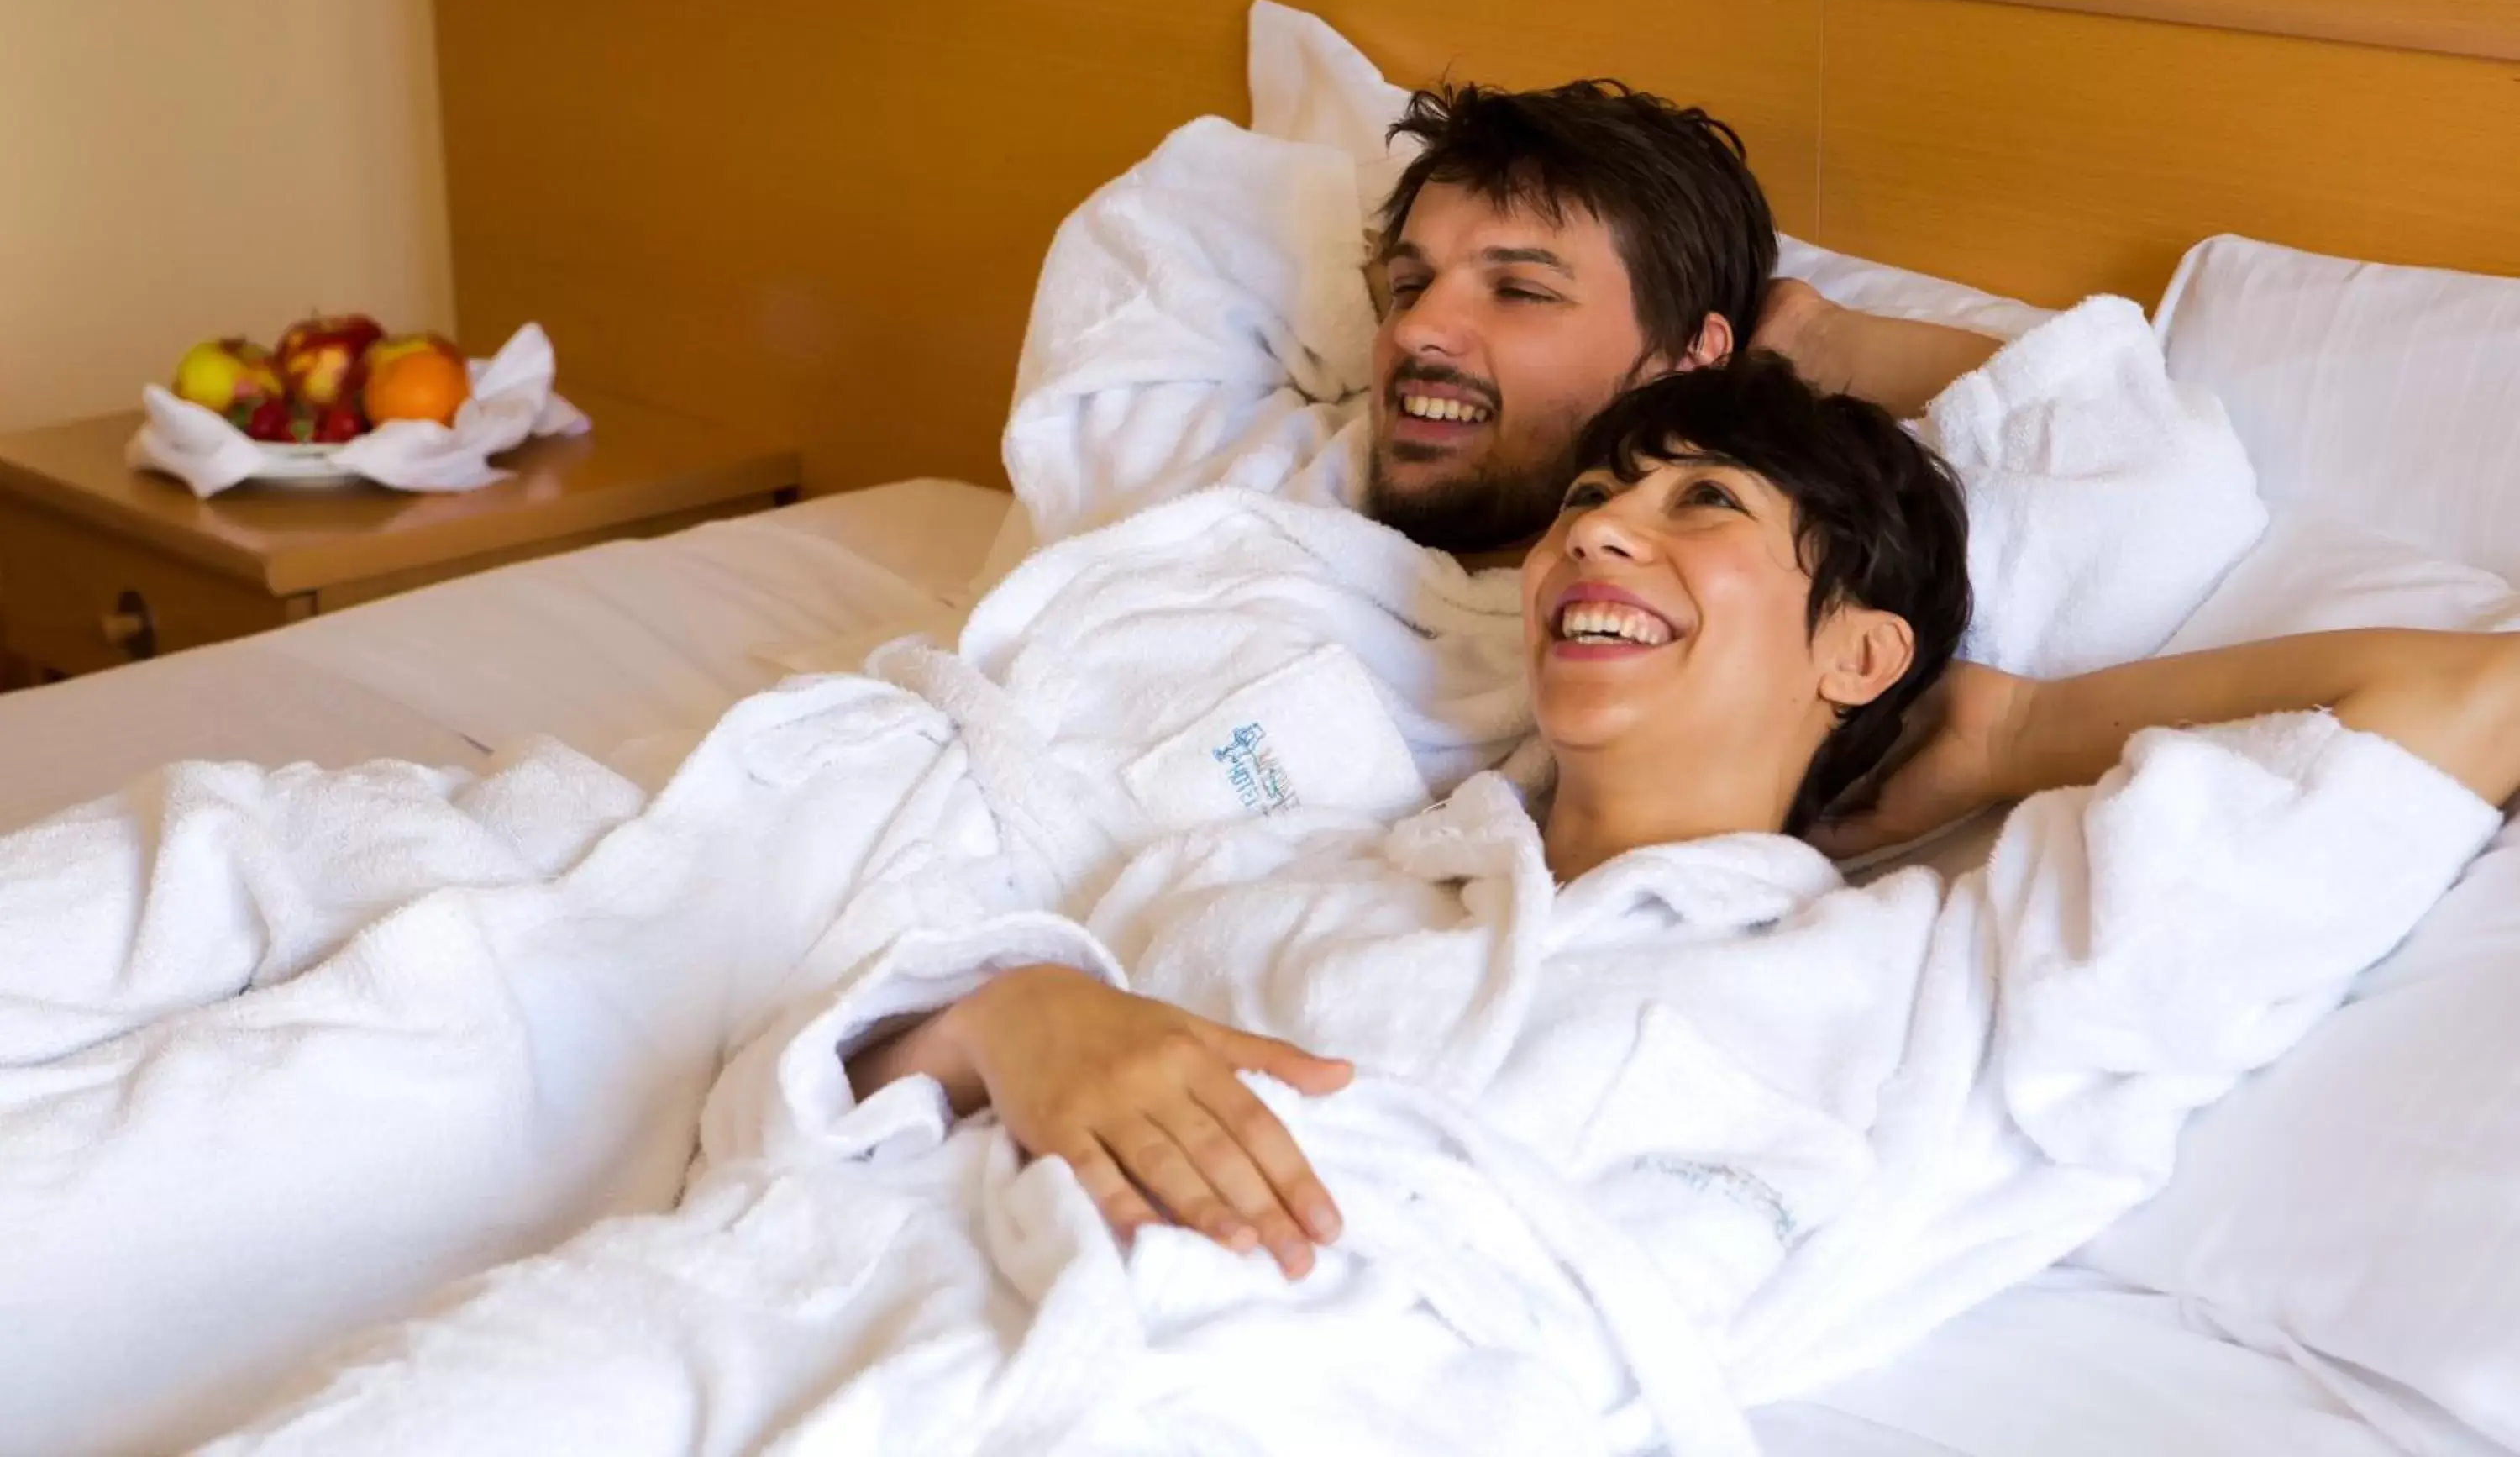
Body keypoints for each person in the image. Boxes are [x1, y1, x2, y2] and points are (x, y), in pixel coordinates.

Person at [217, 358, 2513, 1452]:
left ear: (1857, 654)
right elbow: (827, 1092)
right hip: (774, 1319)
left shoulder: (1957, 990)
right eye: (1591, 502)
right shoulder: (1320, 865)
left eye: (1697, 505)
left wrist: (2007, 741)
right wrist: (1019, 1017)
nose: (1600, 534)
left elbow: (2468, 691)